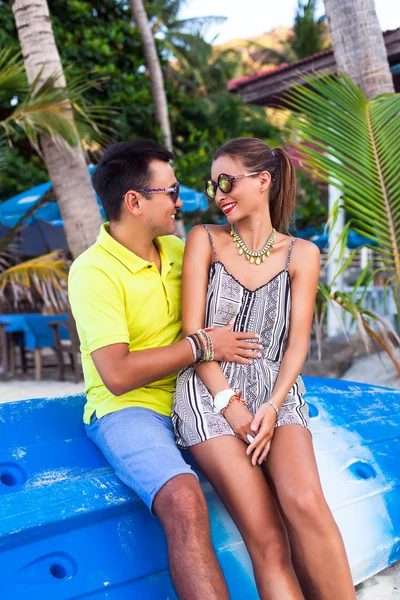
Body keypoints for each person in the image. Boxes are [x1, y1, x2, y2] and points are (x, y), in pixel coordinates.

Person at [68, 140, 264, 600]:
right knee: (183, 497)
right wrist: (199, 345)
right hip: (129, 408)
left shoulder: (180, 249)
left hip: (196, 399)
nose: (180, 202)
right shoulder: (92, 272)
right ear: (134, 202)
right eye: (171, 192)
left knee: (269, 468)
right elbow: (116, 374)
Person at [173, 137, 356, 600]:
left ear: (263, 180)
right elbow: (193, 337)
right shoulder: (205, 240)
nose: (219, 193)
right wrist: (227, 403)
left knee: (306, 504)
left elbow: (296, 345)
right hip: (207, 392)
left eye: (228, 181)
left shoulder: (303, 254)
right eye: (214, 184)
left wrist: (273, 405)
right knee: (268, 536)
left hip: (277, 390)